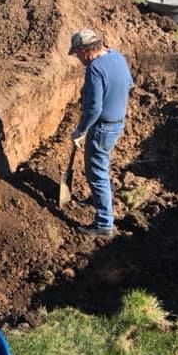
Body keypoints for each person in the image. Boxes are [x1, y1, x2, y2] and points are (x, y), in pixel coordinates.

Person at [68, 28, 133, 239]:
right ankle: (100, 199)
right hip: (117, 123)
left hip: (102, 127)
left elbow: (94, 108)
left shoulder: (94, 68)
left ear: (85, 51)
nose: (78, 59)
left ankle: (104, 223)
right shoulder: (117, 57)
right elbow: (128, 84)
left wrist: (81, 130)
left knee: (96, 173)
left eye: (77, 54)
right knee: (101, 166)